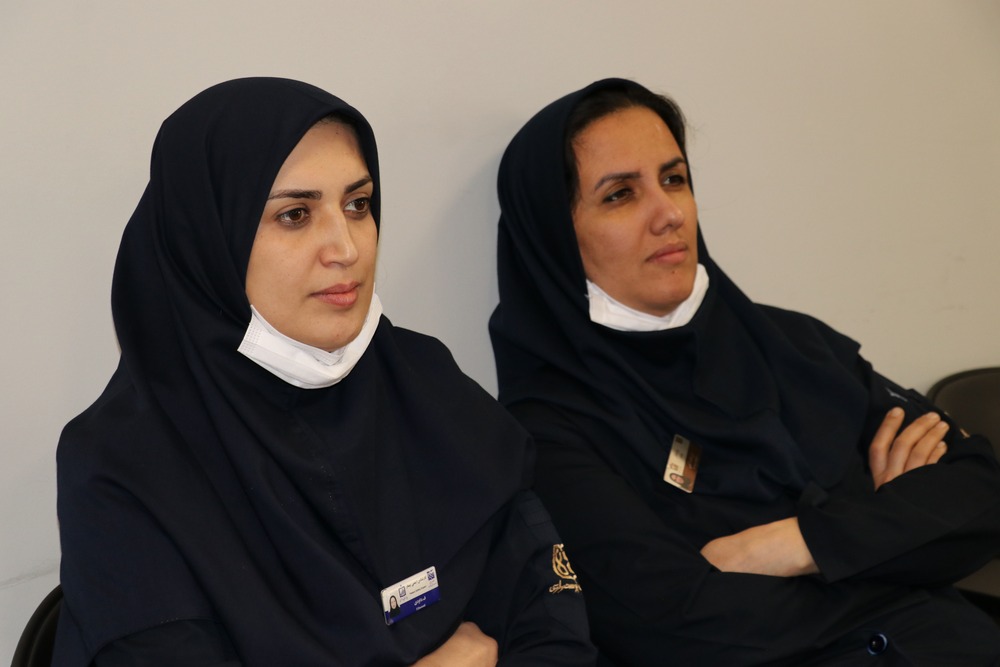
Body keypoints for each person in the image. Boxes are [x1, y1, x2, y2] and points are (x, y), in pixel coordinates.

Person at [54, 77, 595, 667]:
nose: (347, 248)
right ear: (206, 238)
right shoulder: (122, 465)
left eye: (357, 205)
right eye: (295, 214)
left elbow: (549, 614)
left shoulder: (423, 382)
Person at [489, 77, 1000, 665]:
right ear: (555, 234)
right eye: (620, 194)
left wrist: (797, 544)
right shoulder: (549, 429)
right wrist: (898, 539)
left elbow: (982, 492)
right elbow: (682, 632)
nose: (668, 213)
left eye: (674, 179)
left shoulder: (795, 344)